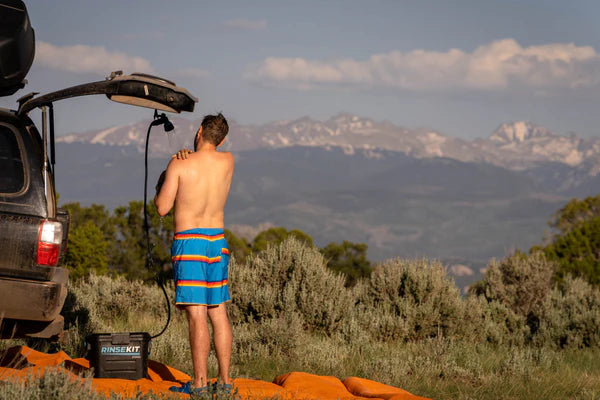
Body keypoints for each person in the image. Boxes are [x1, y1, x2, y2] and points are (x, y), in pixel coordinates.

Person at [154, 113, 234, 397]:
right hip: (218, 241)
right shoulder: (228, 161)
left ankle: (199, 384)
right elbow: (210, 161)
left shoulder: (179, 163)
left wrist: (167, 175)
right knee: (218, 312)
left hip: (190, 242)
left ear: (199, 131)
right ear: (222, 139)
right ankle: (224, 383)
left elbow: (162, 208)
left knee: (197, 315)